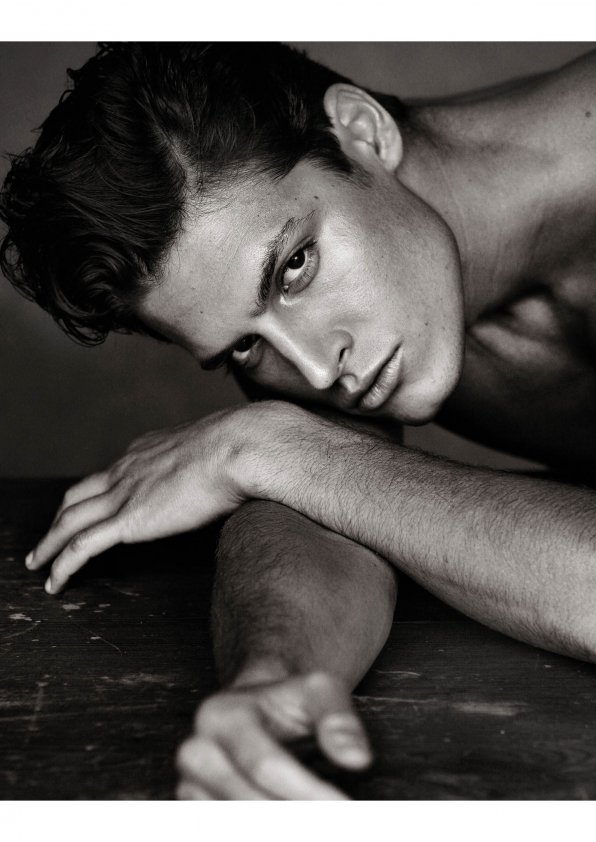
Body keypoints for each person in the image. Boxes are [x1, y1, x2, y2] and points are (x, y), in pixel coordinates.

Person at [2, 41, 596, 801]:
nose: (315, 369)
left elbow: (303, 459)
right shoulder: (349, 319)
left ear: (363, 132)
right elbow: (317, 501)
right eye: (243, 345)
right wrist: (276, 680)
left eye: (295, 268)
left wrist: (264, 446)